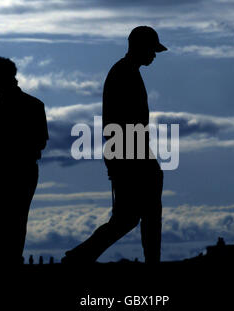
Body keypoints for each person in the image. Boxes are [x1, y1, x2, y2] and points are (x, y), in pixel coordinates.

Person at [62, 26, 167, 264]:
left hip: (130, 151)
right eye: (152, 49)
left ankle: (78, 257)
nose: (154, 55)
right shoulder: (123, 73)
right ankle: (79, 257)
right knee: (132, 217)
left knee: (130, 217)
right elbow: (117, 121)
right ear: (140, 47)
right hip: (129, 153)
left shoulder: (126, 71)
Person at [0, 56, 49, 266]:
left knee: (3, 227)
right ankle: (11, 266)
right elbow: (40, 142)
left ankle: (5, 267)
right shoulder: (35, 105)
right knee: (17, 224)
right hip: (26, 172)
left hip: (7, 173)